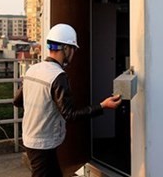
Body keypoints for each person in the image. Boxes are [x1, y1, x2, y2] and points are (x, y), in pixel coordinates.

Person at [13, 23, 121, 177]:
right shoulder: (58, 76)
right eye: (73, 49)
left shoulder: (33, 69)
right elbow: (70, 115)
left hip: (30, 138)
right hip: (42, 142)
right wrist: (103, 106)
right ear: (65, 49)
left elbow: (17, 101)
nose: (74, 53)